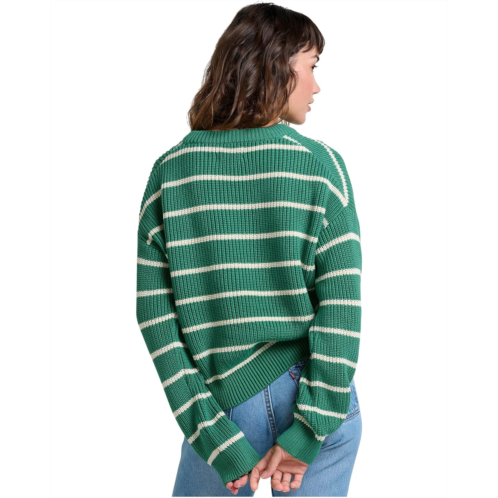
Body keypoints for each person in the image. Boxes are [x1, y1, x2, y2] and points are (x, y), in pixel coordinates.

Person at [136, 3, 362, 496]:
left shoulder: (170, 172)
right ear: (279, 67)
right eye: (312, 67)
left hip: (218, 403)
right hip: (311, 392)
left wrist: (209, 432)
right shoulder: (320, 166)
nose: (317, 86)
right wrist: (310, 429)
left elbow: (156, 318)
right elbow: (341, 309)